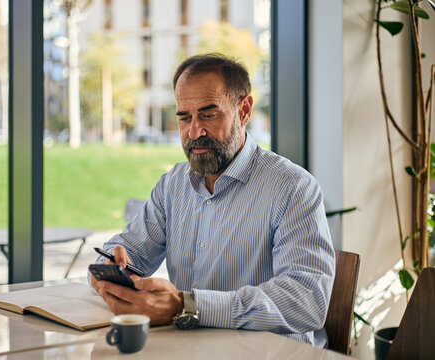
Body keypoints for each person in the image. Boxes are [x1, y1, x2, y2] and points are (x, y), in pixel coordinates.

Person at [90, 53, 335, 347]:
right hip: (189, 349)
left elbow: (307, 300)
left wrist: (188, 305)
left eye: (208, 114)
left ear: (244, 111)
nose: (194, 132)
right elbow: (126, 252)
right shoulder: (173, 184)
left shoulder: (293, 188)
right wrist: (111, 273)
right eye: (184, 117)